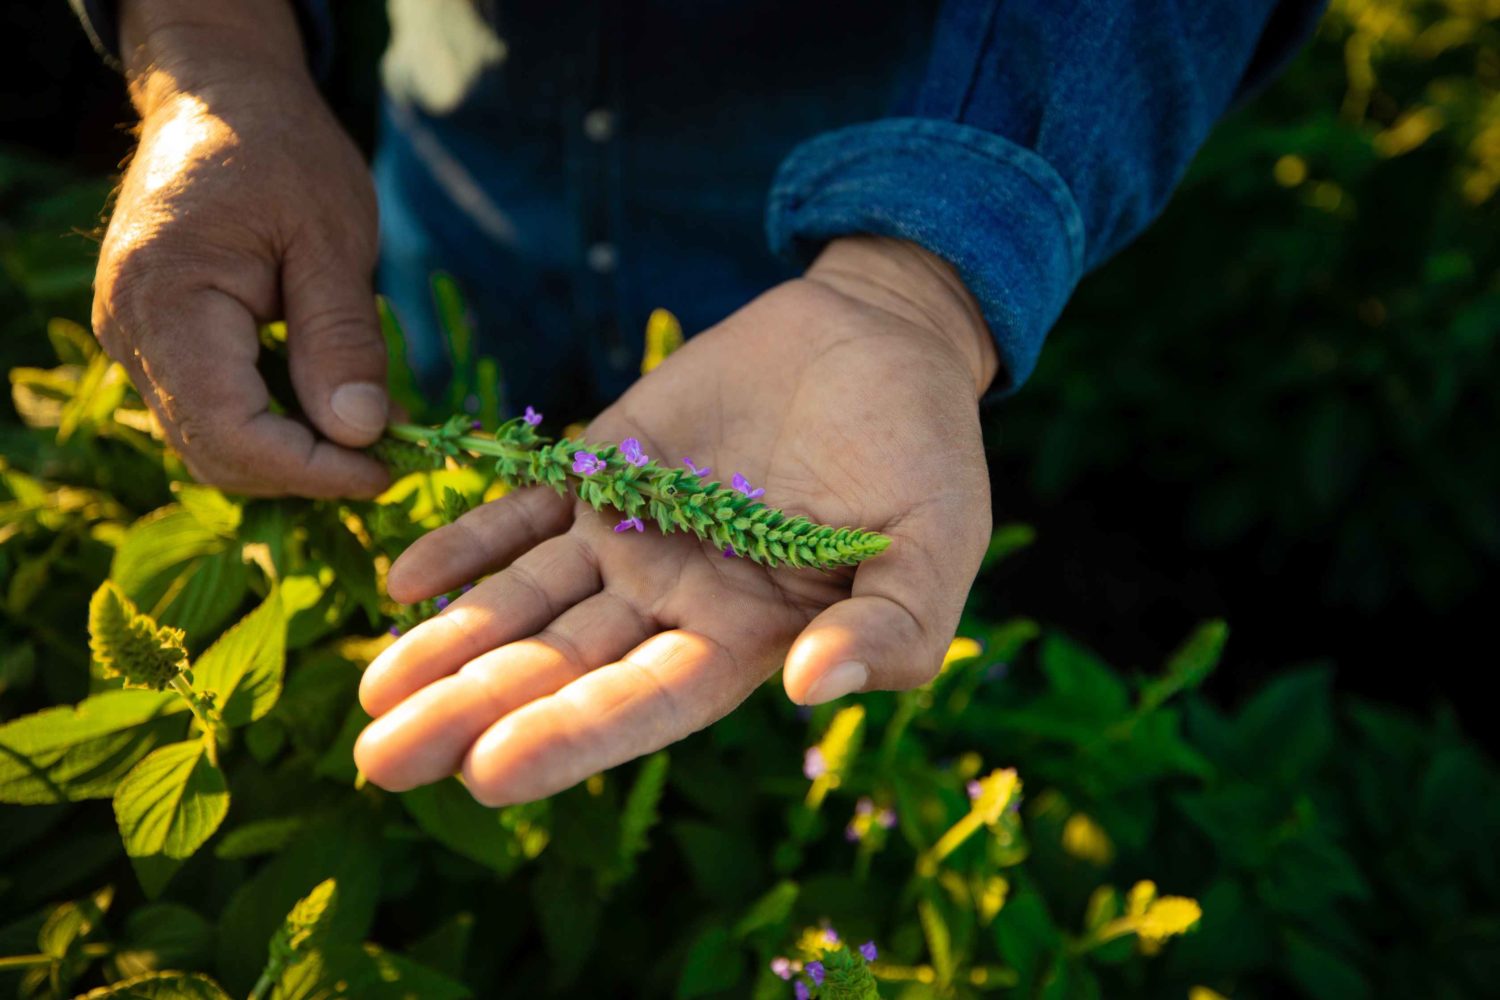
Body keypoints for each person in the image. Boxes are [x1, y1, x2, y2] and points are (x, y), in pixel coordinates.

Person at [73, 0, 1324, 805]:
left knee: (789, 642)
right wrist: (219, 54)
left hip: (841, 172)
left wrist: (922, 281)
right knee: (477, 477)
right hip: (467, 160)